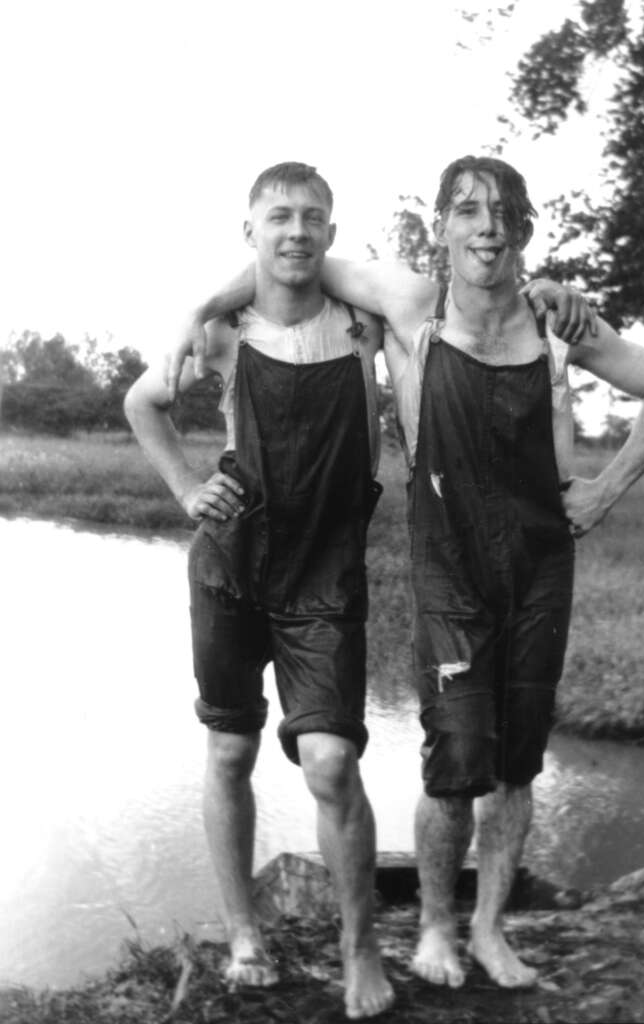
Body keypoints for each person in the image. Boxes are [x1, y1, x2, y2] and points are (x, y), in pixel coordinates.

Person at [163, 157, 618, 999]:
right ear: (441, 225)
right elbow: (159, 384)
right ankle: (254, 933)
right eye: (469, 212)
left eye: (504, 215)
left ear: (522, 228)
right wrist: (201, 320)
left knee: (378, 764)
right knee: (233, 747)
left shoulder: (468, 325)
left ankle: (397, 940)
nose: (487, 226)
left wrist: (604, 486)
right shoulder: (402, 305)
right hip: (250, 568)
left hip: (355, 577)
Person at [125, 162, 395, 1020]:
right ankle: (243, 931)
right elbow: (143, 404)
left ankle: (361, 949)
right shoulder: (222, 335)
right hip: (231, 569)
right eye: (278, 217)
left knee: (331, 760)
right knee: (231, 751)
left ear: (331, 233)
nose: (297, 231)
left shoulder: (363, 325)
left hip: (325, 575)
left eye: (314, 218)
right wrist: (184, 491)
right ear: (250, 233)